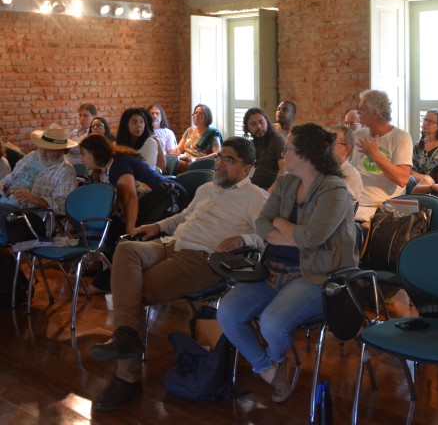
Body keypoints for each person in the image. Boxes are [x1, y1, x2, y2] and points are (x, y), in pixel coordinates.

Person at [89, 137, 269, 412]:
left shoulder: (255, 197)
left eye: (229, 160)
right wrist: (157, 224)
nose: (220, 163)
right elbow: (184, 217)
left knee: (134, 291)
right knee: (126, 250)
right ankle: (126, 334)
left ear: (247, 169)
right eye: (220, 157)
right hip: (171, 244)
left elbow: (266, 238)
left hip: (202, 257)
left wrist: (242, 239)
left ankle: (127, 377)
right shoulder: (208, 187)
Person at [217, 123, 357, 403]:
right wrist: (294, 234)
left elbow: (310, 238)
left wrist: (281, 225)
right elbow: (261, 225)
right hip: (273, 269)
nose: (283, 154)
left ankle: (271, 359)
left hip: (317, 275)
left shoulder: (334, 190)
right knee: (228, 312)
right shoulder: (286, 182)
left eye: (288, 150)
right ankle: (268, 368)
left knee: (271, 324)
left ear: (304, 155)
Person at [79, 134, 177, 236]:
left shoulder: (118, 164)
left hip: (167, 203)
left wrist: (129, 233)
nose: (81, 159)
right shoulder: (102, 171)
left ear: (94, 152)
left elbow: (130, 198)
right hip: (149, 208)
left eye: (83, 154)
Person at [0, 124, 78, 234]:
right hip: (6, 203)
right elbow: (12, 176)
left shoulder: (65, 171)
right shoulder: (31, 156)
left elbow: (63, 206)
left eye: (49, 150)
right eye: (41, 147)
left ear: (62, 151)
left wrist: (34, 199)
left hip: (30, 216)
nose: (43, 153)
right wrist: (2, 186)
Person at [351, 90, 412, 222]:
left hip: (383, 208)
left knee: (360, 231)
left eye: (362, 109)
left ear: (375, 113)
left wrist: (375, 156)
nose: (358, 112)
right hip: (354, 205)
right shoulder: (357, 135)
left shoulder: (401, 137)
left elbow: (402, 179)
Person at [243, 107, 285, 190]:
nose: (258, 126)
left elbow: (284, 171)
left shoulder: (277, 140)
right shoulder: (251, 145)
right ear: (247, 128)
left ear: (266, 121)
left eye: (261, 122)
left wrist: (270, 192)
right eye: (253, 124)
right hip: (252, 190)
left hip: (269, 191)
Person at [173, 104, 222, 171]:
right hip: (186, 159)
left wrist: (197, 159)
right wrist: (175, 153)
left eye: (200, 114)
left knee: (175, 164)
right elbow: (179, 149)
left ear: (207, 117)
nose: (197, 116)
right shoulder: (189, 130)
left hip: (200, 162)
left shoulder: (213, 133)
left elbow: (217, 154)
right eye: (195, 113)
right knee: (170, 161)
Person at [115, 108, 165, 173]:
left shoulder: (150, 143)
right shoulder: (121, 142)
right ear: (125, 124)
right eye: (134, 122)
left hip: (145, 180)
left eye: (141, 122)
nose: (139, 125)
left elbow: (146, 170)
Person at [330, 125, 363, 202]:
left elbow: (335, 205)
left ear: (347, 149)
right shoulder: (320, 170)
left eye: (331, 142)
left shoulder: (351, 176)